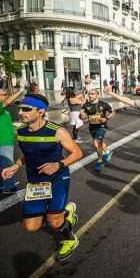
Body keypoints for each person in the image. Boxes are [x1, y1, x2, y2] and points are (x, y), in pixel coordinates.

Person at [1, 94, 83, 261]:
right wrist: (15, 166)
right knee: (30, 227)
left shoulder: (57, 131)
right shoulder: (21, 132)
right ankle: (65, 212)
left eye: (26, 109)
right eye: (20, 108)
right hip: (35, 182)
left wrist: (58, 165)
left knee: (53, 221)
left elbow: (77, 153)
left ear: (40, 111)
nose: (21, 112)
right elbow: (27, 155)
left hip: (58, 179)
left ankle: (69, 239)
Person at [80, 90, 114, 171]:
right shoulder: (86, 105)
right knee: (100, 143)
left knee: (96, 143)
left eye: (92, 94)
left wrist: (106, 118)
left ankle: (99, 161)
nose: (90, 96)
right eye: (89, 94)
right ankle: (108, 152)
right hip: (92, 127)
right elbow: (83, 116)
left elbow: (113, 112)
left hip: (102, 126)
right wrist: (82, 115)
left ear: (97, 95)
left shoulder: (103, 104)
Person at [0, 87, 24, 194]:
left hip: (7, 140)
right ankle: (9, 186)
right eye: (4, 94)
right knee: (8, 163)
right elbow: (9, 100)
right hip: (3, 141)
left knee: (3, 163)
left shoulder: (4, 110)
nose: (6, 96)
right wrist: (21, 90)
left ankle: (3, 184)